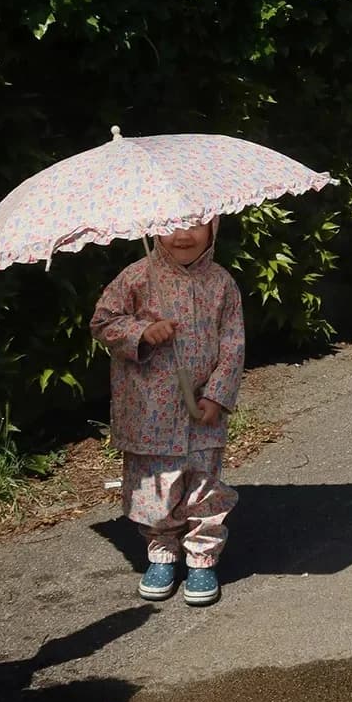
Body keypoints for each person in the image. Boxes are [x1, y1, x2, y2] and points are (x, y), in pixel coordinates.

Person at [91, 219, 244, 607]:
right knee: (154, 486)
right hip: (148, 408)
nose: (183, 235)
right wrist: (141, 332)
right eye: (171, 225)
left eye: (195, 225)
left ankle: (201, 557)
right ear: (153, 227)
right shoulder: (136, 277)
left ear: (214, 226)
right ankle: (162, 550)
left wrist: (218, 393)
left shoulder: (222, 283)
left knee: (203, 484)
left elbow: (232, 343)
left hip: (201, 410)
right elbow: (103, 322)